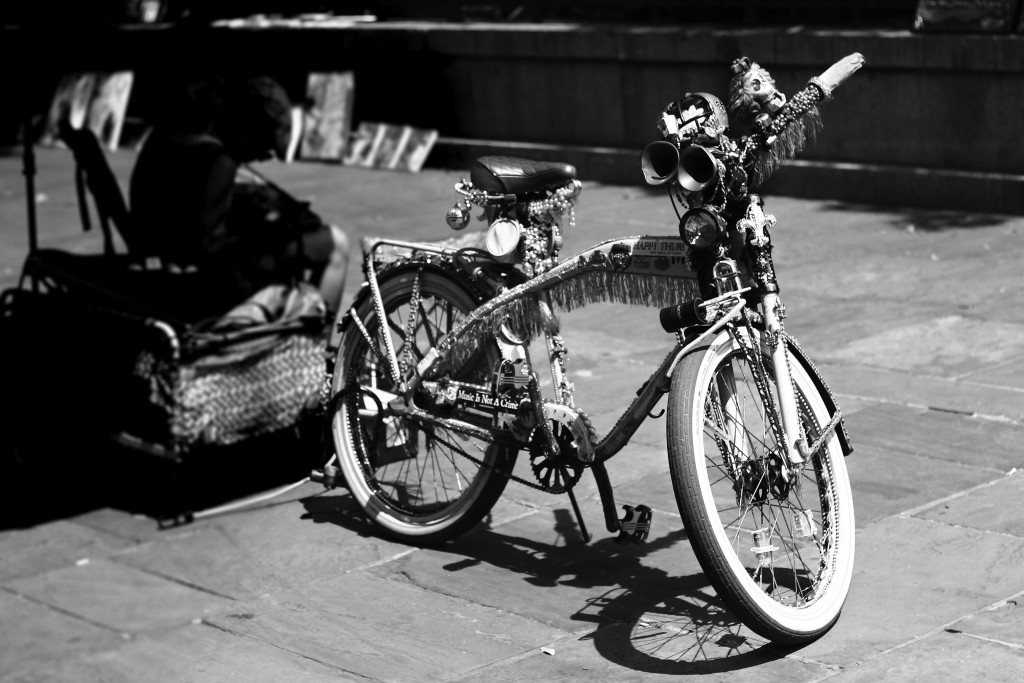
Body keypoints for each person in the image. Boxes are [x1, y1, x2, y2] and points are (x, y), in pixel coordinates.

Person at [129, 75, 350, 311]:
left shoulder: (167, 137)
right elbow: (203, 249)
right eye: (263, 148)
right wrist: (267, 229)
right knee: (336, 244)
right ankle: (314, 339)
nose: (262, 157)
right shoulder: (217, 161)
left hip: (156, 250)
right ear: (250, 129)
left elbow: (185, 204)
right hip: (200, 279)